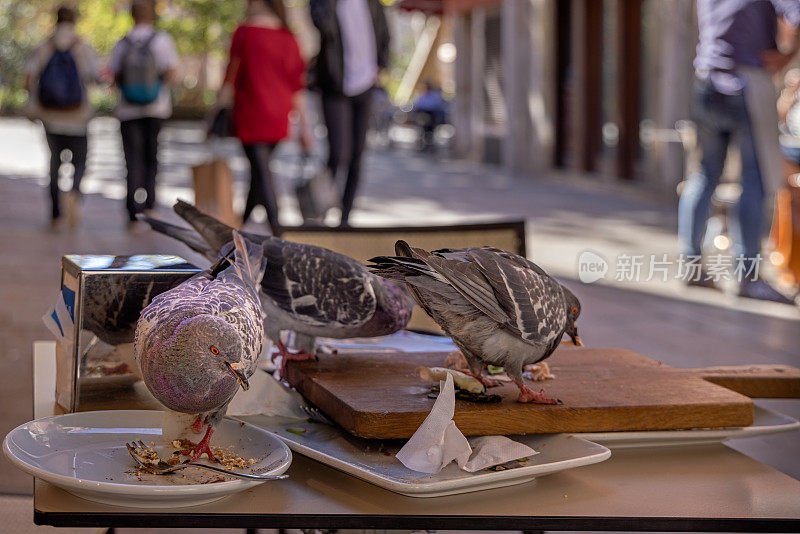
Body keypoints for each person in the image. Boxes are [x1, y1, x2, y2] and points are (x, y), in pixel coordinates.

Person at [678, 0, 800, 303]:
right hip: (746, 80)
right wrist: (787, 56)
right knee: (755, 180)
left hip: (706, 78)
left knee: (704, 174)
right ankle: (747, 276)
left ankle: (692, 266)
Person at [215, 0, 311, 233]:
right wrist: (305, 128)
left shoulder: (245, 33)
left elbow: (230, 77)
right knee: (260, 173)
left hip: (251, 115)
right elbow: (297, 87)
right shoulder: (289, 38)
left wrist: (215, 112)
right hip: (279, 118)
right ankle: (239, 230)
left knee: (262, 174)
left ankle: (278, 231)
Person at [310, 0, 390, 227]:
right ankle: (321, 211)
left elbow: (384, 33)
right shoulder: (324, 3)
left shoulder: (373, 3)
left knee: (357, 155)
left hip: (366, 85)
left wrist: (380, 67)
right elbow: (322, 26)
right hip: (335, 85)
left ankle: (345, 219)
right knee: (338, 154)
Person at [24, 5, 99, 228]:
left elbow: (28, 78)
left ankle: (56, 212)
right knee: (81, 161)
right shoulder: (83, 47)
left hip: (50, 116)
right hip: (78, 116)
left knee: (54, 162)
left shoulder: (44, 46)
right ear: (75, 21)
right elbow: (94, 77)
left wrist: (34, 103)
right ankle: (74, 192)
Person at [109, 0, 178, 225]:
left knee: (132, 160)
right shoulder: (162, 41)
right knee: (152, 157)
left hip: (128, 110)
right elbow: (172, 73)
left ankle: (132, 210)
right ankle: (150, 207)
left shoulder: (122, 43)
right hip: (155, 109)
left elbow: (114, 75)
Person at [413, 81, 448, 150]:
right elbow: (418, 106)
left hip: (432, 115)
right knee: (423, 124)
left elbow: (437, 106)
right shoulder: (422, 96)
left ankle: (430, 143)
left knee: (430, 127)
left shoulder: (435, 96)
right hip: (423, 115)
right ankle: (422, 143)